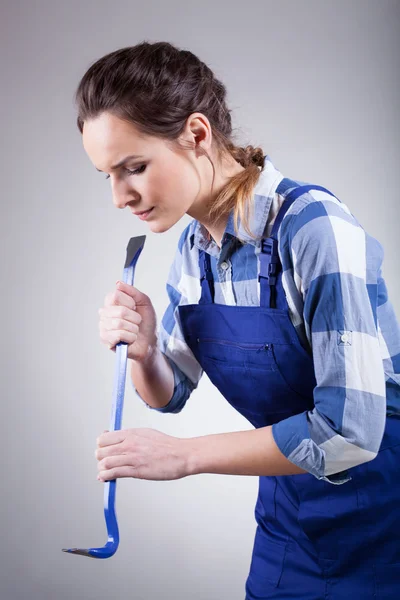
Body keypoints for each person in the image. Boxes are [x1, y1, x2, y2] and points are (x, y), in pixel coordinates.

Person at [76, 41, 400, 598]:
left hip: (382, 513)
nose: (119, 197)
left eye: (133, 168)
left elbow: (349, 432)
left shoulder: (314, 229)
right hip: (288, 510)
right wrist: (145, 351)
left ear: (197, 134)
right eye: (107, 175)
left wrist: (184, 457)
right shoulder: (193, 248)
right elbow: (168, 393)